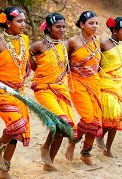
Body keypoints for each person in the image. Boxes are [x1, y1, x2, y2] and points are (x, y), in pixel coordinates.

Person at [0, 7, 30, 179]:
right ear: (8, 23)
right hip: (0, 89)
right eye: (20, 21)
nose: (23, 24)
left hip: (18, 91)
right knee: (17, 125)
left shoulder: (24, 39)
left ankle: (4, 171)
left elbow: (24, 63)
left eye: (24, 21)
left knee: (16, 132)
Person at [29, 13, 77, 171]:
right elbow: (30, 62)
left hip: (60, 88)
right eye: (58, 27)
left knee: (66, 128)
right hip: (44, 89)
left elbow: (65, 63)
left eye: (64, 26)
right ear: (48, 28)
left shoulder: (65, 45)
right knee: (62, 122)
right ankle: (45, 150)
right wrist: (40, 72)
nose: (62, 29)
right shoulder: (38, 46)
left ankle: (49, 160)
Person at [64, 11, 102, 166]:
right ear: (81, 25)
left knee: (97, 119)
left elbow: (98, 63)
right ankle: (73, 142)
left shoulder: (97, 40)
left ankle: (86, 153)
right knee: (88, 118)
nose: (94, 26)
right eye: (91, 23)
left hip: (94, 83)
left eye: (96, 23)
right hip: (77, 83)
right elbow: (61, 61)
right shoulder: (72, 42)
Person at [95, 17, 122, 157]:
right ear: (115, 31)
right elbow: (95, 64)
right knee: (113, 116)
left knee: (118, 119)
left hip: (117, 86)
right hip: (105, 85)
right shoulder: (103, 45)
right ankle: (99, 135)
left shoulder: (121, 46)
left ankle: (108, 149)